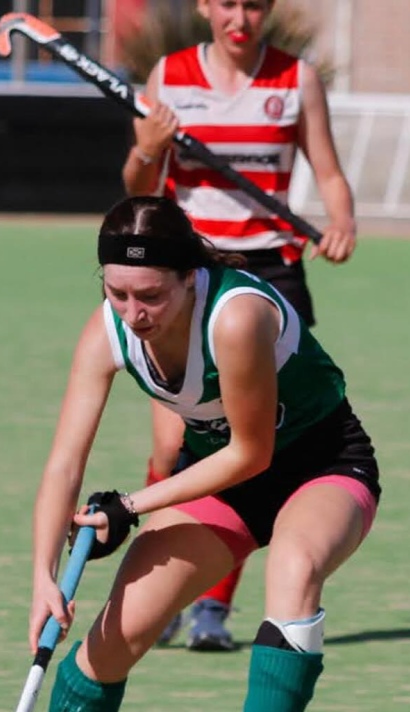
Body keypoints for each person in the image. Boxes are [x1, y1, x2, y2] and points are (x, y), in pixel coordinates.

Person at [0, 195, 379, 712]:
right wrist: (41, 577)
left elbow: (252, 453)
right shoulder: (109, 330)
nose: (134, 314)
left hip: (317, 465)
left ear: (188, 276)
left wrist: (132, 507)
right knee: (118, 633)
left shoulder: (236, 317)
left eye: (151, 296)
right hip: (216, 480)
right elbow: (64, 464)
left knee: (294, 567)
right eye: (117, 294)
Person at [122, 0, 358, 651]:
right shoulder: (169, 78)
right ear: (204, 6)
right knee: (172, 450)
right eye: (227, 3)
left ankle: (211, 610)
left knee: (250, 450)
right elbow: (139, 185)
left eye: (254, 4)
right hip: (189, 276)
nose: (240, 18)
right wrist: (147, 151)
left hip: (269, 284)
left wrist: (342, 222)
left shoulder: (295, 81)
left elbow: (329, 173)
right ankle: (161, 586)